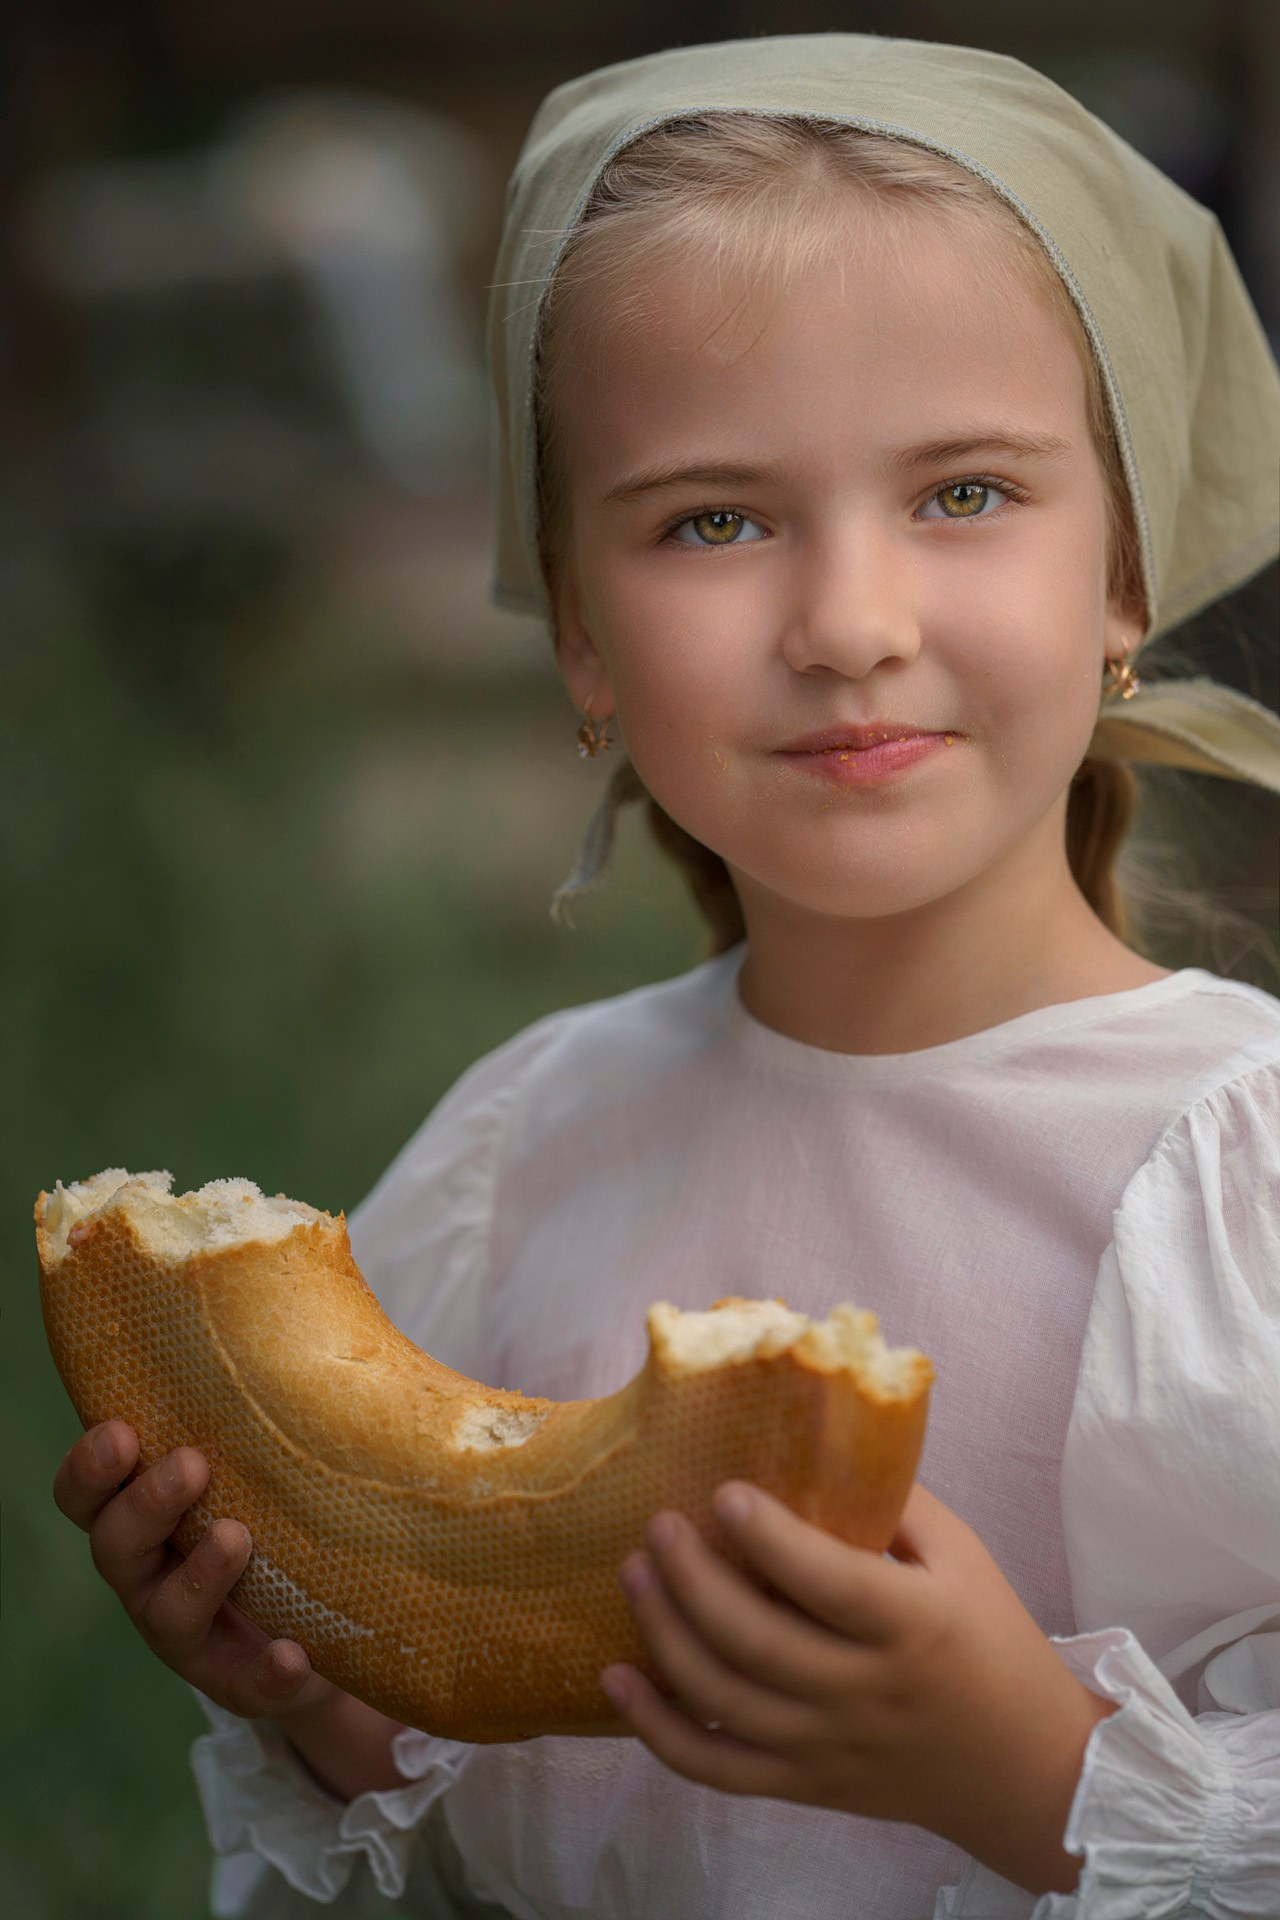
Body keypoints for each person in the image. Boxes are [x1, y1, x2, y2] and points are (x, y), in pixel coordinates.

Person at [52, 34, 1280, 1920]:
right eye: (715, 520)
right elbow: (506, 1843)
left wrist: (1023, 1774)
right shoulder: (514, 1161)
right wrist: (320, 1700)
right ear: (582, 638)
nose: (851, 624)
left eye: (964, 492)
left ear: (1125, 577)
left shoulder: (1241, 1177)